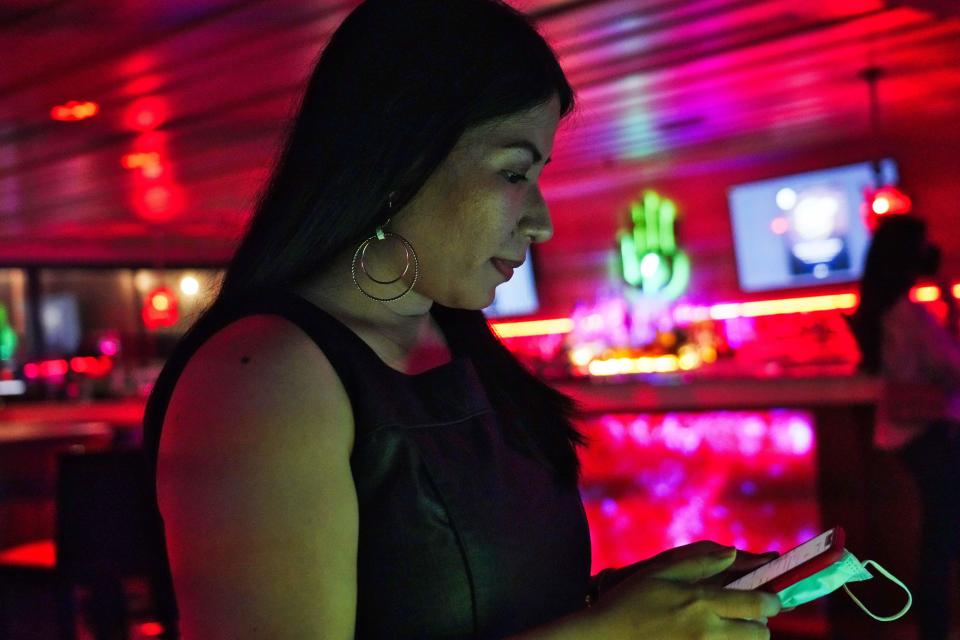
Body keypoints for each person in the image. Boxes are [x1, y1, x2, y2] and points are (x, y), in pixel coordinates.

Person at [142, 1, 781, 637]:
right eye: (513, 172)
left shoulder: (455, 340)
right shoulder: (263, 375)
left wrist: (631, 604)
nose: (541, 220)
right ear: (400, 162)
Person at [850, 215, 960, 640]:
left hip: (912, 435)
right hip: (928, 433)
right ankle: (934, 627)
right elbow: (951, 366)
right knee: (941, 533)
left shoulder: (888, 308)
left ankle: (934, 626)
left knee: (941, 529)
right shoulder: (906, 313)